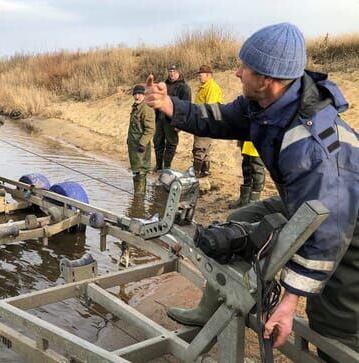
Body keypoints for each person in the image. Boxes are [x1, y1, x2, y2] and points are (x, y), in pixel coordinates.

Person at [145, 23, 358, 360]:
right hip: (307, 201)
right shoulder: (265, 104)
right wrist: (171, 106)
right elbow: (220, 119)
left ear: (267, 79)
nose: (236, 71)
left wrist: (290, 302)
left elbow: (330, 232)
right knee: (241, 223)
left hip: (349, 223)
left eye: (244, 67)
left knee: (335, 323)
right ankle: (213, 307)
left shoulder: (313, 146)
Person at [153, 64, 191, 171]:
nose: (172, 73)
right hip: (160, 119)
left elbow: (186, 106)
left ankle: (167, 167)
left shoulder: (184, 87)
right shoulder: (164, 85)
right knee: (157, 142)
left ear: (179, 73)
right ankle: (159, 166)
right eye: (170, 71)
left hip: (173, 120)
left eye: (174, 71)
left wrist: (180, 124)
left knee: (171, 143)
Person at [193, 65, 222, 186]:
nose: (199, 75)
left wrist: (202, 123)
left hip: (205, 122)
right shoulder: (203, 87)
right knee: (205, 149)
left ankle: (196, 173)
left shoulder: (212, 87)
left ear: (208, 75)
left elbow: (210, 108)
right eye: (199, 73)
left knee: (199, 148)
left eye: (201, 74)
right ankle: (205, 171)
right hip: (202, 121)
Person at [127, 84, 155, 195]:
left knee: (141, 171)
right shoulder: (135, 107)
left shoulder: (147, 109)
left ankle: (139, 197)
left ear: (144, 95)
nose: (137, 96)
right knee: (136, 170)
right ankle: (137, 195)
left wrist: (142, 143)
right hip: (133, 145)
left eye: (140, 94)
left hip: (140, 147)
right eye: (135, 94)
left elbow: (150, 129)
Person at [228, 141, 265, 209]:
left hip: (258, 134)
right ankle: (244, 198)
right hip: (247, 136)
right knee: (247, 164)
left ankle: (254, 200)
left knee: (256, 165)